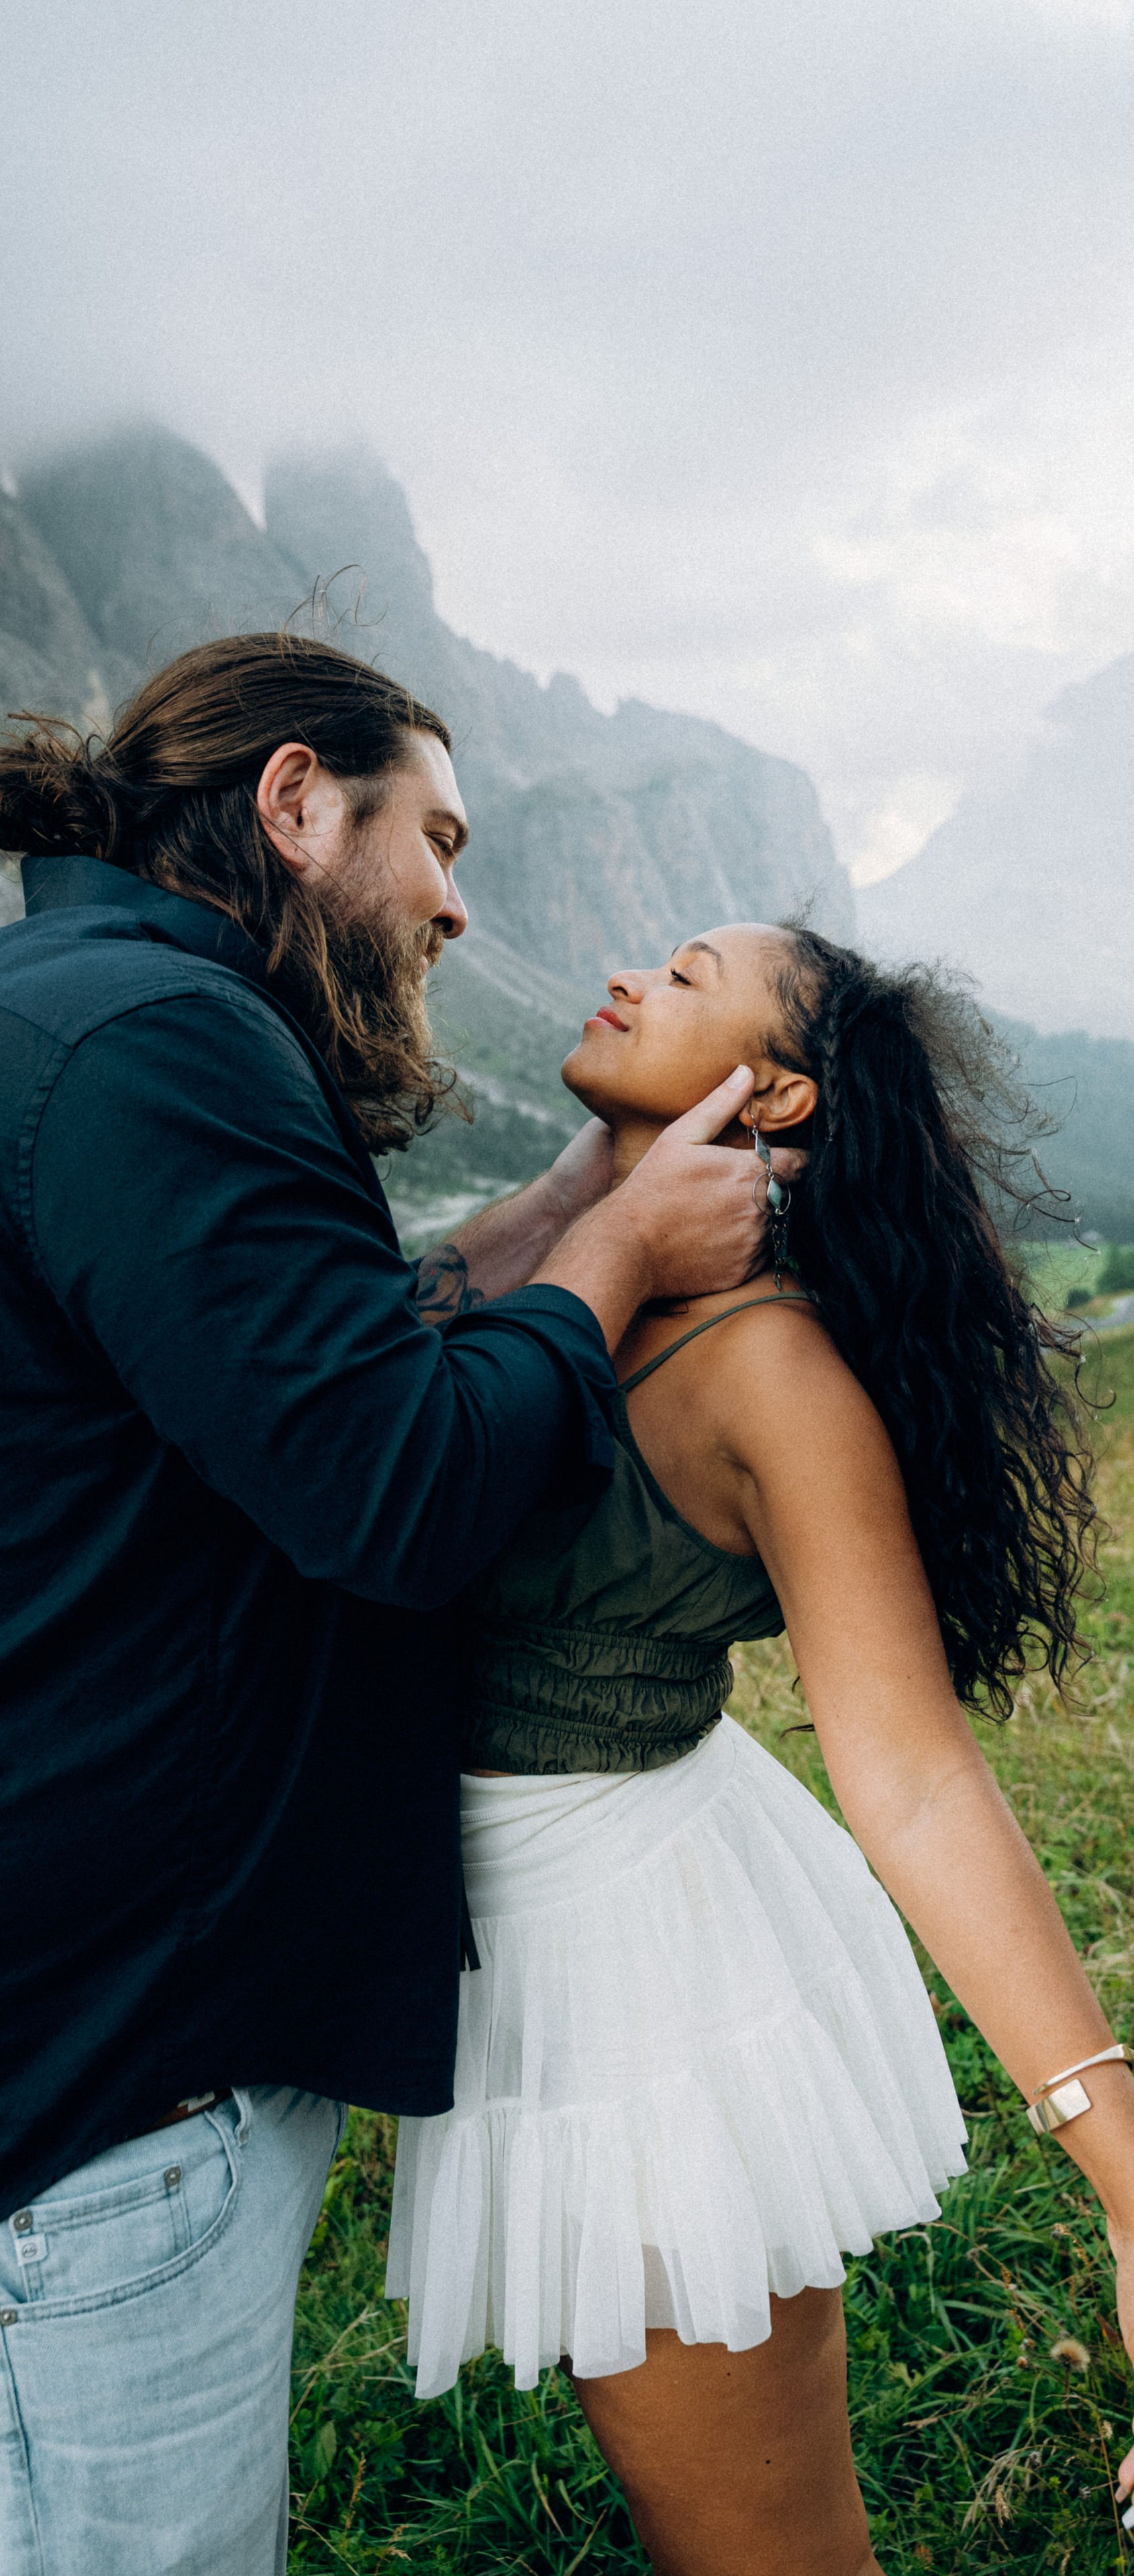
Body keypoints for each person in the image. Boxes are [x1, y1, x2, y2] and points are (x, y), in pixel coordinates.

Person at [0, 636, 796, 2576]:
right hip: (122, 2075)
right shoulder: (166, 1050)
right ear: (293, 806)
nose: (454, 899)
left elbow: (309, 1356)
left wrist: (566, 1201)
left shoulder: (86, 1007)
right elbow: (393, 1486)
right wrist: (612, 1257)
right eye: (430, 839)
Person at [389, 920, 1134, 2573]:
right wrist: (603, 1182)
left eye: (690, 976)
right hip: (525, 1965)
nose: (634, 974)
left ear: (769, 1090)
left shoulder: (770, 1373)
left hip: (641, 1995)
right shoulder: (569, 1270)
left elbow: (914, 1779)